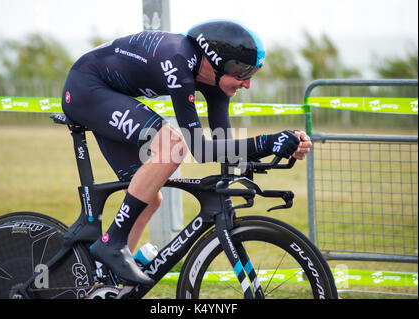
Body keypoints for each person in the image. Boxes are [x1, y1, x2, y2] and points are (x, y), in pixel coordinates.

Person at [61, 20, 312, 286]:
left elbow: (224, 147)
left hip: (107, 92)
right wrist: (267, 142)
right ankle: (112, 243)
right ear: (217, 62)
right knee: (173, 145)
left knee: (150, 198)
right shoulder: (178, 61)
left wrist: (284, 146)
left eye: (252, 73)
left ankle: (103, 283)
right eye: (243, 72)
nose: (247, 83)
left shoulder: (216, 82)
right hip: (86, 88)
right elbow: (201, 148)